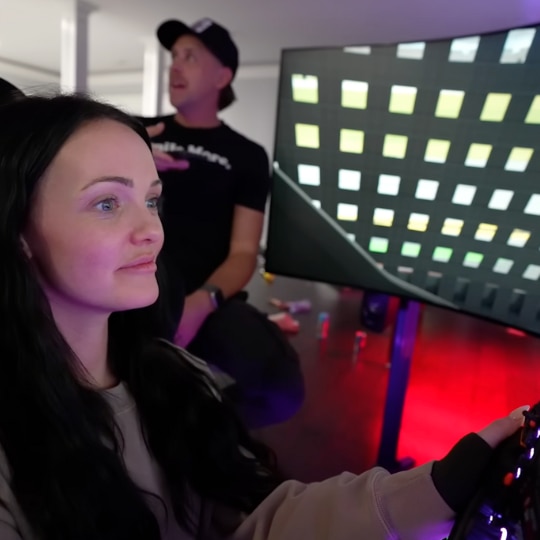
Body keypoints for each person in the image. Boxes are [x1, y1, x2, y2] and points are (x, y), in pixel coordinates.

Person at [0, 92, 529, 540]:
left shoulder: (179, 377)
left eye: (153, 201)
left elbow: (253, 518)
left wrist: (435, 491)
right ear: (19, 230)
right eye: (107, 204)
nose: (152, 232)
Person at [138, 18, 305, 429]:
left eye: (190, 57)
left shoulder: (246, 154)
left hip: (205, 296)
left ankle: (194, 433)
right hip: (132, 287)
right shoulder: (138, 132)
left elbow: (245, 252)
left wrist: (201, 303)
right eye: (174, 57)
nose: (175, 66)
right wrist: (131, 155)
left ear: (222, 76)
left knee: (283, 388)